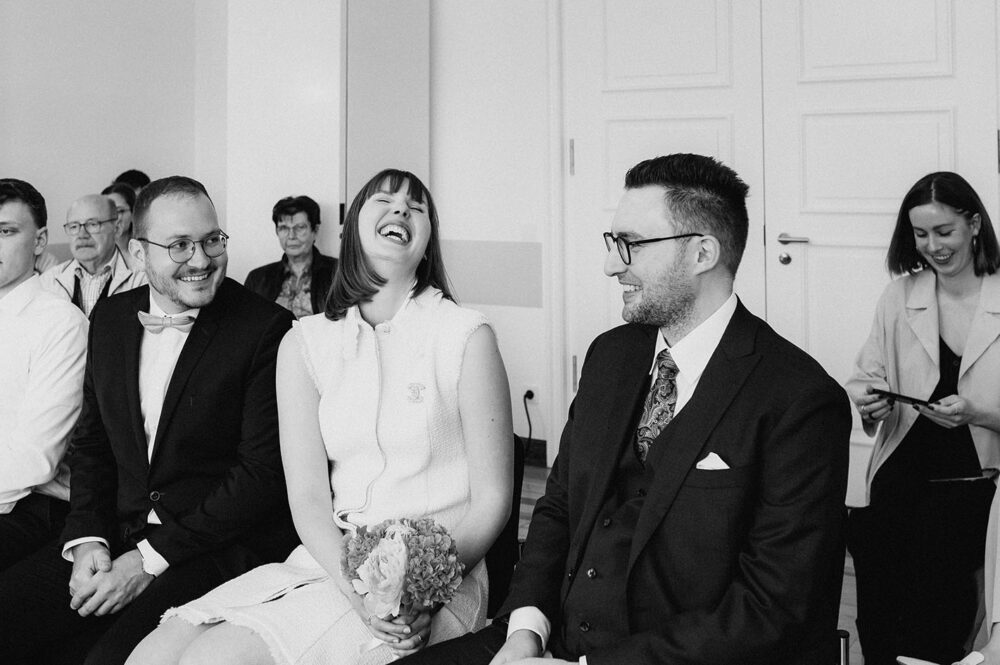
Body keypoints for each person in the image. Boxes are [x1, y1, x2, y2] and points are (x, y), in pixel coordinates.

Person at [399, 153, 852, 665]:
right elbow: (559, 507)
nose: (612, 265)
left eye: (631, 244)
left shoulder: (800, 401)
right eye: (613, 243)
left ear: (703, 253)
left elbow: (773, 609)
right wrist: (525, 629)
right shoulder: (611, 356)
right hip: (547, 641)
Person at [127, 169, 513, 665]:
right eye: (384, 200)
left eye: (416, 207)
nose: (400, 209)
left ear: (427, 241)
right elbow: (308, 497)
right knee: (153, 654)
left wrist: (417, 591)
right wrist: (357, 586)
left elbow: (493, 500)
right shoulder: (305, 343)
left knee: (214, 660)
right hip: (326, 562)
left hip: (436, 583)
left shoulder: (466, 336)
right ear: (351, 228)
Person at [0, 176, 300, 665]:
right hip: (118, 531)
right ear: (139, 253)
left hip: (211, 546)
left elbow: (260, 476)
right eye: (179, 245)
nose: (201, 260)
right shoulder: (111, 319)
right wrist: (87, 539)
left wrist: (148, 560)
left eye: (212, 240)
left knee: (107, 659)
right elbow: (92, 446)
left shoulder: (266, 328)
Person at [847, 171, 1000, 665]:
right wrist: (870, 403)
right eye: (920, 234)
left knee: (937, 623)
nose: (933, 246)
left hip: (976, 485)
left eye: (944, 231)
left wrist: (979, 413)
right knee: (878, 617)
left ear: (974, 224)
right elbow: (865, 377)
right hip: (900, 475)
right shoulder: (899, 296)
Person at [0, 178, 88, 571]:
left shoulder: (61, 324)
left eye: (5, 231)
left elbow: (35, 460)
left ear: (40, 241)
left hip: (33, 505)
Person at [40, 193, 146, 317]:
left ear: (116, 229)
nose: (82, 235)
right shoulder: (48, 283)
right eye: (73, 227)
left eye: (92, 224)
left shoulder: (141, 278)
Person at [244, 195, 337, 318]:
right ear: (277, 232)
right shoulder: (257, 279)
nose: (291, 236)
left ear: (315, 230)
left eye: (300, 227)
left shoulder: (338, 273)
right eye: (284, 228)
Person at [102, 182, 138, 265]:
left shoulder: (144, 253)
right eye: (106, 211)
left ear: (133, 213)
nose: (112, 217)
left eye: (119, 211)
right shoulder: (92, 255)